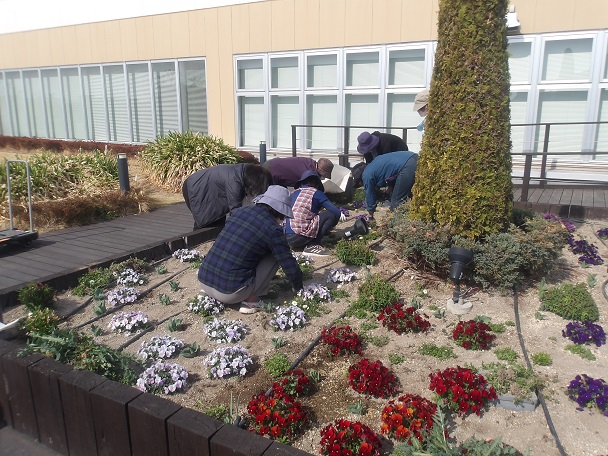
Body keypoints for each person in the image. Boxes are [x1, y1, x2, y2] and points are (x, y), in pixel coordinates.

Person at [198, 185, 303, 314]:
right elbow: (287, 262)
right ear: (280, 211)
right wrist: (299, 286)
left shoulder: (239, 212)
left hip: (204, 280)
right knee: (276, 255)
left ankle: (209, 294)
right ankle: (251, 300)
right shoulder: (272, 229)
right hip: (230, 293)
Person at [182, 163, 272, 229]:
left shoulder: (242, 171)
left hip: (206, 188)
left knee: (218, 221)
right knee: (206, 223)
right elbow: (235, 211)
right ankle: (193, 249)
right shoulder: (235, 181)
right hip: (195, 188)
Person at [285, 170, 346, 256]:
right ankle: (313, 245)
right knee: (330, 214)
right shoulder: (316, 193)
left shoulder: (294, 193)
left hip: (285, 239)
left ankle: (304, 242)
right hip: (298, 237)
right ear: (315, 183)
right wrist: (340, 215)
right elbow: (334, 211)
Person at [361, 151, 419, 219]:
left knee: (397, 202)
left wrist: (370, 213)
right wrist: (386, 193)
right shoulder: (373, 167)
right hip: (413, 157)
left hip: (407, 165)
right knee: (409, 197)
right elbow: (394, 177)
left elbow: (369, 194)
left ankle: (397, 225)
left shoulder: (366, 176)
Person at [262, 156, 334, 188]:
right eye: (323, 175)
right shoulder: (309, 173)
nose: (322, 178)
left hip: (273, 165)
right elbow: (305, 191)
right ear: (320, 171)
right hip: (271, 170)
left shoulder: (310, 162)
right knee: (266, 195)